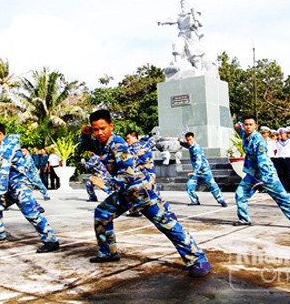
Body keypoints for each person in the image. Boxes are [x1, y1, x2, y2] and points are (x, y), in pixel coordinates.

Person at [80, 109, 212, 277]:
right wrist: (85, 135)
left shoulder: (118, 144)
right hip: (125, 192)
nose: (99, 133)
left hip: (141, 191)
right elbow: (86, 146)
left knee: (166, 224)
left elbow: (127, 175)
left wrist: (105, 183)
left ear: (111, 126)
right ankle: (108, 252)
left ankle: (198, 260)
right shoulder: (100, 143)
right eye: (95, 129)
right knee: (102, 213)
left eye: (103, 128)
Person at [0, 123, 59, 254]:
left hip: (19, 186)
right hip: (10, 187)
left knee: (31, 213)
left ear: (0, 134)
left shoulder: (6, 149)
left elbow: (3, 172)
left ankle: (51, 240)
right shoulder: (4, 146)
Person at [233, 115, 290, 231]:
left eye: (250, 125)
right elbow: (238, 126)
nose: (248, 127)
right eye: (246, 124)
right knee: (240, 194)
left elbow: (262, 160)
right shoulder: (245, 134)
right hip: (253, 173)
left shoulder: (258, 140)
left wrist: (265, 179)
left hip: (267, 174)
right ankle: (244, 219)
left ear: (255, 126)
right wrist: (238, 125)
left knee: (281, 198)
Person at [178, 132, 227, 207]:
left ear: (193, 139)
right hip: (196, 172)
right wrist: (181, 142)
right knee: (189, 186)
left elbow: (198, 161)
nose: (189, 141)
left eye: (190, 139)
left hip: (204, 171)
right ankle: (195, 201)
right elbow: (186, 145)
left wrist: (194, 172)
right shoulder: (190, 146)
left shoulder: (196, 148)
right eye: (187, 140)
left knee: (212, 185)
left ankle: (221, 200)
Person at [158, 0, 207, 70]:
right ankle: (177, 64)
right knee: (176, 44)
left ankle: (199, 70)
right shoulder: (179, 16)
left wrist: (196, 22)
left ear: (187, 5)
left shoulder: (192, 13)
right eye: (181, 4)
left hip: (191, 34)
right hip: (182, 34)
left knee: (194, 55)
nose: (182, 5)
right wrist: (163, 21)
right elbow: (172, 20)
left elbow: (201, 23)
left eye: (184, 3)